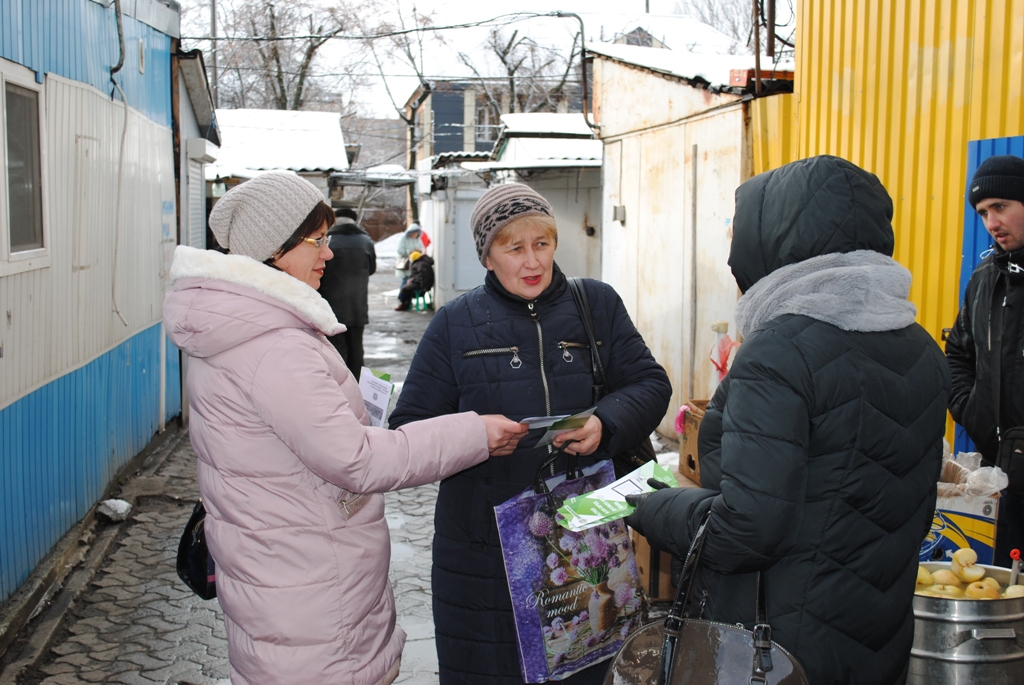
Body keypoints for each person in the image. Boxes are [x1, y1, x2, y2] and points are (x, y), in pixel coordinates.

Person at [162, 172, 528, 685]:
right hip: (311, 590)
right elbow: (357, 460)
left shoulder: (241, 329)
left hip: (280, 574)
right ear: (273, 250)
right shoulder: (274, 347)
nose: (329, 254)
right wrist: (474, 435)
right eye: (316, 240)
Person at [625, 156, 950, 685]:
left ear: (774, 239)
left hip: (776, 646)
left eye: (739, 231)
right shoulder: (919, 349)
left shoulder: (780, 351)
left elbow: (746, 530)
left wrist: (649, 505)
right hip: (876, 636)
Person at [388, 183, 672, 685]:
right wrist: (473, 434)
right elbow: (408, 429)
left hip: (586, 536)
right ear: (487, 256)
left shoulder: (596, 305)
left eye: (541, 243)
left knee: (584, 665)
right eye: (513, 247)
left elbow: (649, 383)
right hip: (484, 550)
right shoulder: (455, 325)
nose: (531, 261)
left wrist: (605, 422)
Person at [946, 154, 1024, 565]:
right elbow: (958, 351)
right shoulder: (983, 280)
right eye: (982, 212)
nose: (992, 222)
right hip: (999, 477)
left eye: (1001, 207)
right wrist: (968, 408)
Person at [319, 207, 376, 380]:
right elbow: (372, 269)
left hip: (331, 307)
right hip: (357, 306)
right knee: (357, 350)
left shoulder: (328, 242)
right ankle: (359, 389)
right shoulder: (365, 241)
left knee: (336, 352)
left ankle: (340, 389)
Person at [395, 224, 425, 289]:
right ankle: (402, 295)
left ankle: (408, 296)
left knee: (412, 281)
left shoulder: (417, 239)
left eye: (416, 233)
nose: (415, 234)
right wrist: (409, 251)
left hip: (415, 264)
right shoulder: (403, 239)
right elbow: (399, 250)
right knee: (405, 280)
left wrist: (420, 251)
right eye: (413, 233)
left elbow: (422, 248)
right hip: (406, 263)